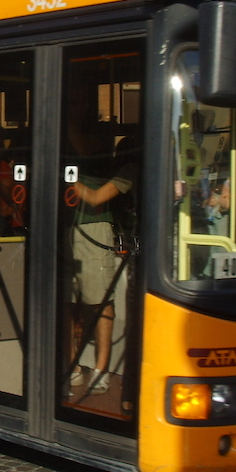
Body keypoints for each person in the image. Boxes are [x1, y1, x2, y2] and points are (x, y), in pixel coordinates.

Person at [64, 131, 136, 398]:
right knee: (66, 302)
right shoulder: (88, 163)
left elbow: (95, 198)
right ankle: (72, 366)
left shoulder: (128, 170)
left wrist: (65, 178)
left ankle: (101, 369)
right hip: (66, 229)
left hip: (95, 231)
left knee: (100, 301)